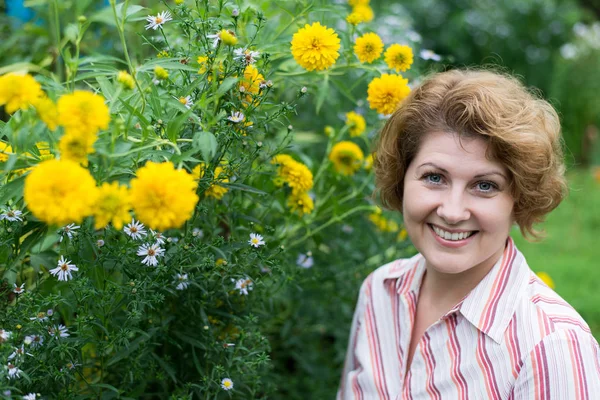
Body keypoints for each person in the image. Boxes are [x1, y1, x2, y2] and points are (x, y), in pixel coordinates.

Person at [337, 69, 600, 399]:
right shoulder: (380, 292)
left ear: (519, 199)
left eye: (485, 185)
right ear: (402, 178)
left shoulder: (552, 344)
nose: (452, 210)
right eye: (434, 177)